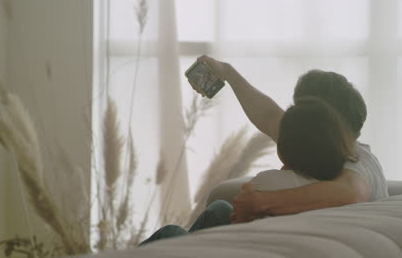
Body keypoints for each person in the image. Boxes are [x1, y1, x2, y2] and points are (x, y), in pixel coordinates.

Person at [189, 56, 388, 224]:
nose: (295, 116)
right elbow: (268, 115)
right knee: (219, 210)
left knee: (181, 229)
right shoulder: (318, 146)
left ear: (326, 118)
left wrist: (258, 201)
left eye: (303, 109)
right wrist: (227, 72)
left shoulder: (360, 159)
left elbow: (352, 194)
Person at [140, 96, 357, 246]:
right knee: (219, 209)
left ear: (285, 148)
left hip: (242, 248)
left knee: (172, 234)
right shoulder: (344, 180)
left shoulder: (268, 183)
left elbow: (238, 226)